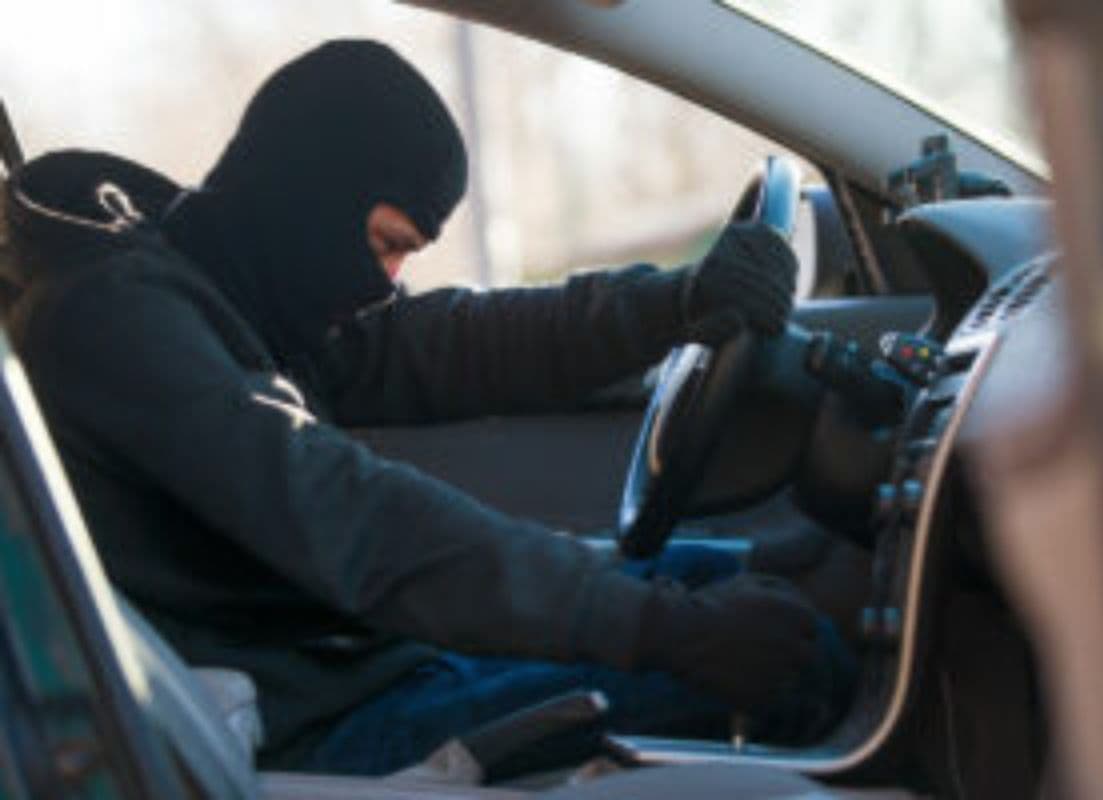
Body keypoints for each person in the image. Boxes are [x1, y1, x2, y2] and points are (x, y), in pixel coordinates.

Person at [4, 39, 856, 775]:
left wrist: (674, 304)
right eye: (385, 245)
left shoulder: (222, 279)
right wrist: (658, 628)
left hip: (365, 663)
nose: (384, 284)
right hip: (314, 732)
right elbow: (351, 515)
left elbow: (444, 342)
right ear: (306, 195)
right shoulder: (114, 320)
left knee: (741, 585)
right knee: (788, 655)